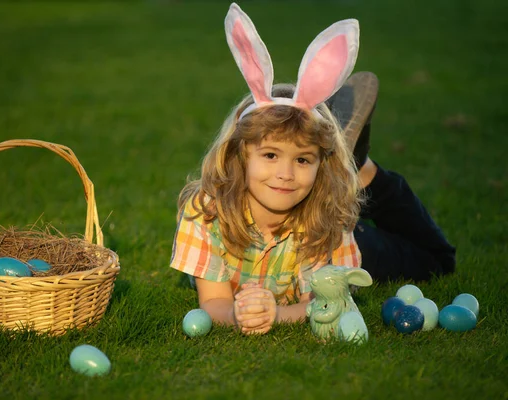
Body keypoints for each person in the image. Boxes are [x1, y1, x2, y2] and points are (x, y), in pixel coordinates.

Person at [170, 3, 455, 335]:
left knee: (437, 261)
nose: (286, 174)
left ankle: (361, 170)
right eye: (271, 155)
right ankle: (347, 161)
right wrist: (238, 315)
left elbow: (326, 301)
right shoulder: (207, 211)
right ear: (239, 154)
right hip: (310, 211)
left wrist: (273, 314)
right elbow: (214, 301)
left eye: (302, 159)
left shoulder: (329, 215)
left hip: (317, 216)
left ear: (320, 166)